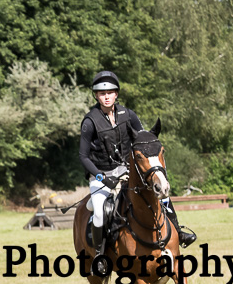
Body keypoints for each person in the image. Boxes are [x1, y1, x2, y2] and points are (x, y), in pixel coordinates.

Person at [78, 71, 195, 262]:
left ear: (116, 94)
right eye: (102, 93)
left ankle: (179, 232)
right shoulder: (90, 121)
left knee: (162, 196)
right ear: (96, 96)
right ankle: (100, 256)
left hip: (127, 172)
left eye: (110, 93)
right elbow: (83, 156)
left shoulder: (128, 114)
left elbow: (142, 140)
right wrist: (102, 177)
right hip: (101, 175)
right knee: (99, 212)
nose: (106, 97)